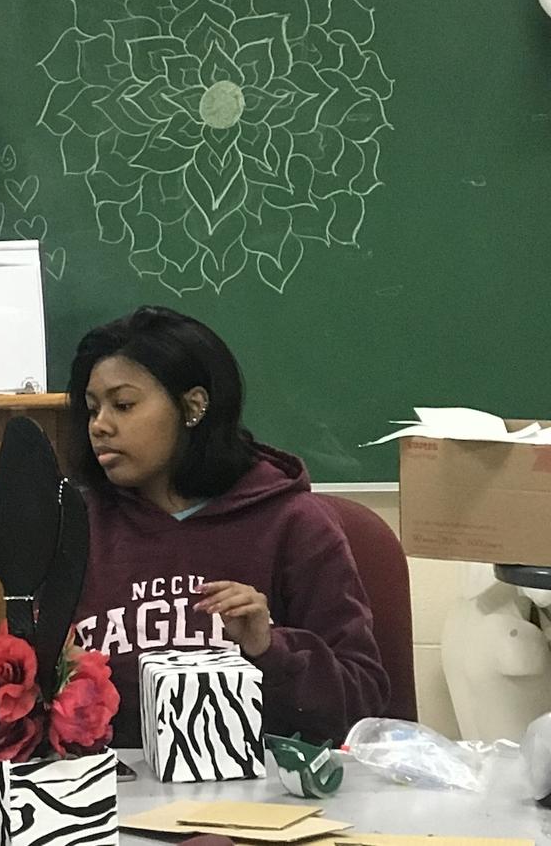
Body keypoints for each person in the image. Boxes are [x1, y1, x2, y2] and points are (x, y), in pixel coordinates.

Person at [67, 306, 389, 746]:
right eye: (91, 409)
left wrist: (268, 648)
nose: (100, 426)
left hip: (269, 797)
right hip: (118, 794)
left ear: (193, 406)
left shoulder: (294, 524)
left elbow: (362, 703)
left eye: (123, 405)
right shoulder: (75, 530)